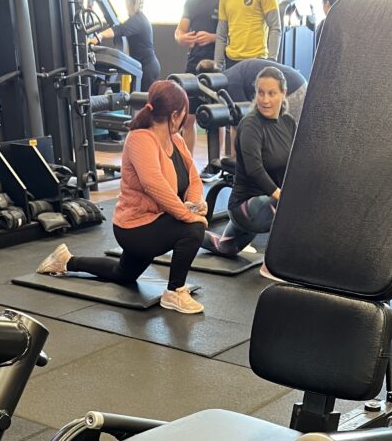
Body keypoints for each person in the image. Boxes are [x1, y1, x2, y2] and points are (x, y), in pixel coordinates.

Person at [37, 81, 207, 315]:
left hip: (158, 221)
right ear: (175, 114)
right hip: (135, 227)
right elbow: (153, 184)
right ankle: (174, 292)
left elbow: (194, 177)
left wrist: (195, 204)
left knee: (123, 274)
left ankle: (65, 260)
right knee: (193, 230)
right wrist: (188, 216)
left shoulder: (175, 140)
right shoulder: (140, 139)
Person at [200, 66, 294, 276]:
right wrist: (282, 196)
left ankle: (187, 232)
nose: (265, 100)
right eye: (261, 93)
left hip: (265, 205)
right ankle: (272, 266)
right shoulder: (251, 125)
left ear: (283, 93)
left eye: (271, 93)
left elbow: (296, 161)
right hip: (245, 206)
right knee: (291, 207)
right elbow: (254, 169)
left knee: (225, 248)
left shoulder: (288, 123)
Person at [175, 0, 221, 153]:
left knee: (217, 117)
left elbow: (230, 34)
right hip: (193, 64)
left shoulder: (224, 0)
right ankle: (188, 164)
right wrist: (181, 38)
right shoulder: (191, 1)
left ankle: (216, 164)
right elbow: (179, 32)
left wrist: (212, 37)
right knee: (188, 118)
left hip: (215, 66)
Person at [197, 56, 306, 122]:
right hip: (297, 82)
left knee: (288, 140)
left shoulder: (231, 85)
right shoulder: (229, 75)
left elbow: (241, 119)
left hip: (294, 90)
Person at [98, 0, 160, 92]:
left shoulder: (138, 20)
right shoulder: (137, 19)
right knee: (134, 97)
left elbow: (119, 30)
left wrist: (99, 35)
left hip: (148, 68)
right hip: (143, 67)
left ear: (129, 3)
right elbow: (121, 29)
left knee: (140, 99)